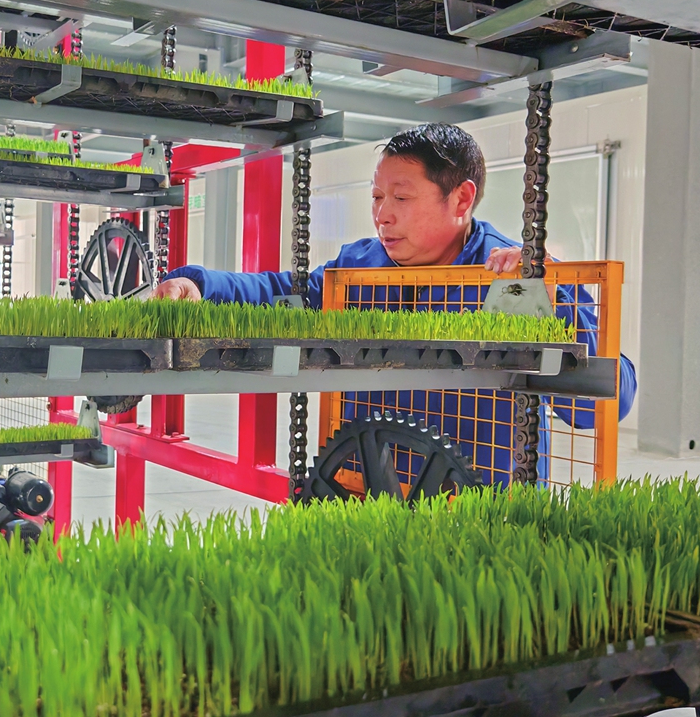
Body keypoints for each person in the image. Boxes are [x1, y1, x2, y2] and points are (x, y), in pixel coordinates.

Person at [154, 123, 637, 485]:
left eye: (401, 197)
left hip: (478, 507)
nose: (383, 215)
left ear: (461, 199)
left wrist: (555, 294)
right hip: (365, 491)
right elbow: (283, 294)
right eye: (378, 197)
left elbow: (602, 408)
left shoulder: (509, 281)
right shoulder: (358, 267)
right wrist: (200, 285)